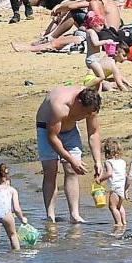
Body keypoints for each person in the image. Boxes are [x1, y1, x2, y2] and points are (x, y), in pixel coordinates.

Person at [32, 84, 104, 225]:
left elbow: (93, 133)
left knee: (72, 171)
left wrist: (98, 161)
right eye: (86, 113)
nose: (88, 116)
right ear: (78, 102)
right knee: (50, 170)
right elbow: (52, 138)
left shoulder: (91, 105)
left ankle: (75, 215)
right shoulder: (59, 105)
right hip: (47, 128)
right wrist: (71, 159)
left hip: (70, 129)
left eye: (91, 113)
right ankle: (50, 216)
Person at [0, 162, 28, 251]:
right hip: (5, 213)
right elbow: (16, 209)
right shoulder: (11, 190)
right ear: (8, 181)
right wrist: (22, 219)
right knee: (13, 235)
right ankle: (17, 258)